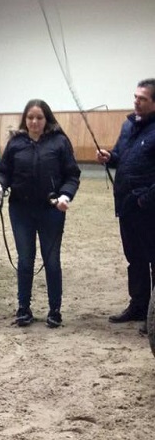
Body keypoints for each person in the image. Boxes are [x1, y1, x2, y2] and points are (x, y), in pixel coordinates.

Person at [0, 99, 81, 328]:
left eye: (39, 118)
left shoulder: (60, 142)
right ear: (25, 120)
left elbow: (72, 174)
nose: (34, 122)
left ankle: (55, 311)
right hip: (20, 210)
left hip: (51, 211)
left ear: (47, 120)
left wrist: (65, 195)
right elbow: (4, 172)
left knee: (52, 261)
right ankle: (23, 309)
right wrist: (0, 186)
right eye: (30, 118)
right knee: (25, 261)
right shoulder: (15, 143)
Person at [96, 78, 155, 335]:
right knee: (135, 259)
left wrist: (146, 198)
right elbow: (122, 156)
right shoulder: (129, 125)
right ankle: (139, 306)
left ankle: (154, 316)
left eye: (142, 99)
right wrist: (110, 157)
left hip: (148, 208)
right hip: (127, 206)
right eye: (135, 97)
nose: (136, 102)